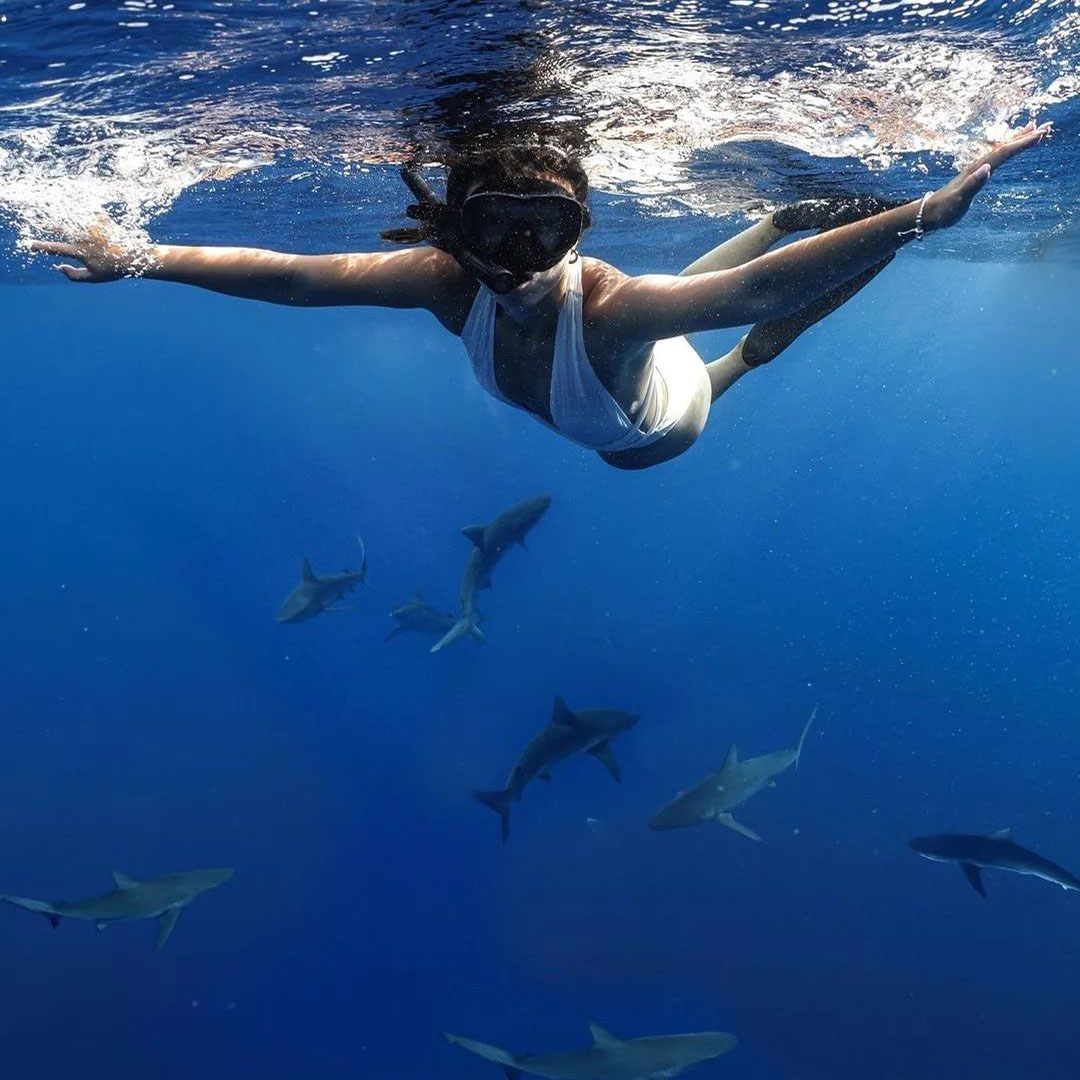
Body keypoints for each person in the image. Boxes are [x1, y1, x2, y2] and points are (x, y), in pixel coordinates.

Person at [30, 122, 1051, 471]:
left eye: (548, 231)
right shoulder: (440, 283)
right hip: (618, 373)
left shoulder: (604, 303)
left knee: (734, 345)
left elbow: (754, 291)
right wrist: (141, 257)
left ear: (581, 232)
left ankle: (823, 260)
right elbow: (299, 280)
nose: (522, 257)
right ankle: (794, 213)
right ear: (453, 235)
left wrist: (929, 213)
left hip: (659, 433)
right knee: (676, 314)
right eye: (497, 231)